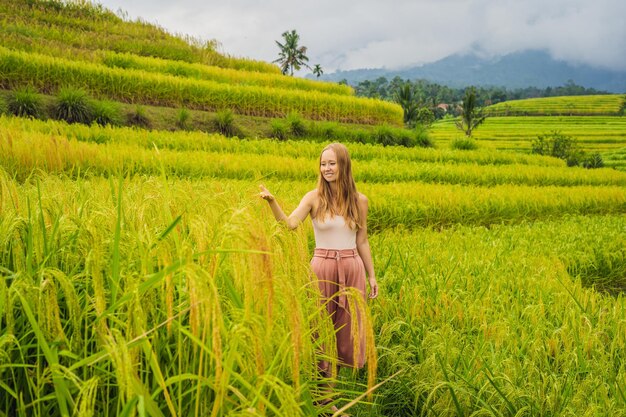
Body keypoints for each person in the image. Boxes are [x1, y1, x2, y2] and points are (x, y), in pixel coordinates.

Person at [259, 142, 378, 414]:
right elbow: (289, 225)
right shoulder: (313, 198)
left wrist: (372, 276)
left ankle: (329, 399)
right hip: (322, 268)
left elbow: (362, 240)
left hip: (352, 267)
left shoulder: (360, 201)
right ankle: (324, 402)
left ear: (343, 165)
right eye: (323, 164)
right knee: (321, 332)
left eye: (332, 163)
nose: (327, 168)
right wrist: (272, 202)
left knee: (346, 332)